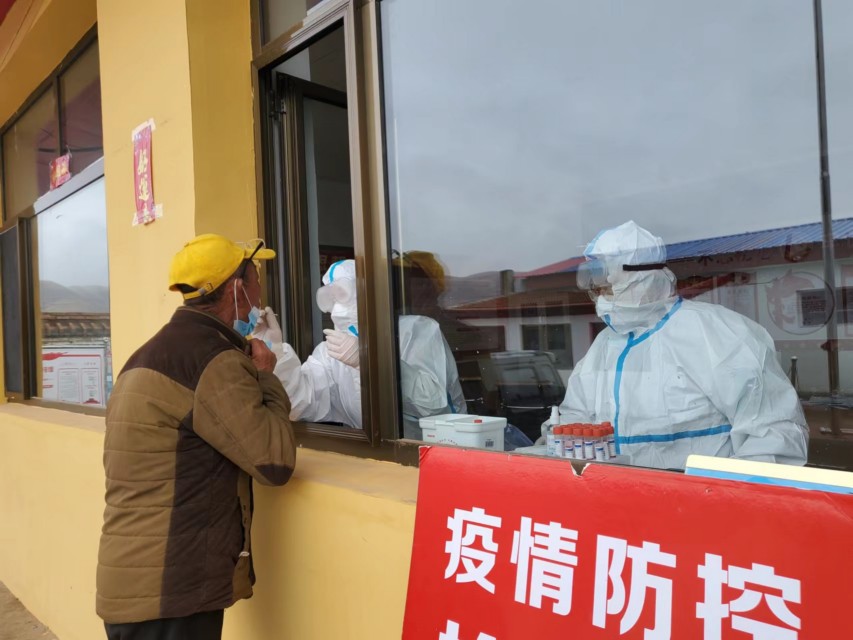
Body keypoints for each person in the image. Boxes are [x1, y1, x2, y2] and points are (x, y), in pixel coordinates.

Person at [96, 234, 297, 640]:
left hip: (132, 579)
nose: (260, 299)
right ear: (237, 289)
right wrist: (265, 376)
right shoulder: (211, 359)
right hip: (171, 589)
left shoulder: (149, 353)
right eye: (256, 282)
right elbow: (274, 462)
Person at [562, 220, 808, 470]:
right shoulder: (604, 346)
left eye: (609, 288)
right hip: (612, 490)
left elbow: (773, 437)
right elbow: (574, 419)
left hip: (700, 493)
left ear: (644, 278)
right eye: (599, 290)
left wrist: (721, 490)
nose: (602, 298)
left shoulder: (718, 333)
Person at [255, 259, 466, 437]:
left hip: (442, 451)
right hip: (375, 457)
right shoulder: (330, 352)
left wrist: (370, 361)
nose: (336, 307)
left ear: (367, 293)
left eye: (342, 294)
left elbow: (433, 404)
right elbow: (300, 403)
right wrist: (275, 352)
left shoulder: (415, 330)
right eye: (330, 297)